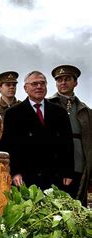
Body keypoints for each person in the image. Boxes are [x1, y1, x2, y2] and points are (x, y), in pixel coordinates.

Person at [2, 71, 74, 191]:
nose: (39, 87)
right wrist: (15, 172)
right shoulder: (13, 113)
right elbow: (9, 146)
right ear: (25, 88)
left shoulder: (59, 112)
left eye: (42, 83)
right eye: (34, 84)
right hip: (26, 176)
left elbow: (67, 144)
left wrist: (68, 172)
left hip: (54, 175)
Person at [49, 65, 91, 205]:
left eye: (67, 79)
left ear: (75, 82)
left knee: (77, 204)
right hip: (54, 163)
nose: (63, 83)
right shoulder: (47, 105)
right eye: (59, 80)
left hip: (79, 163)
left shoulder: (85, 111)